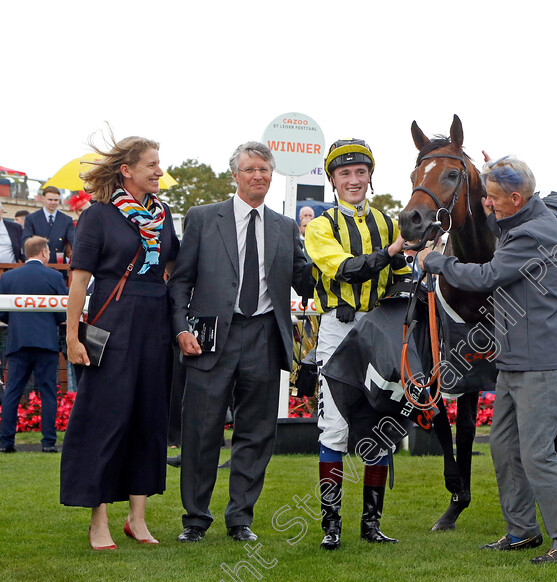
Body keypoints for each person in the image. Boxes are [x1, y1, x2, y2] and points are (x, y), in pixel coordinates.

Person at [414, 156, 557, 565]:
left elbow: (486, 277)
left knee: (537, 453)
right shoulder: (525, 220)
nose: (487, 204)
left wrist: (435, 261)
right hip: (514, 360)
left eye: (492, 198)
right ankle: (523, 530)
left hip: (539, 365)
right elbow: (492, 228)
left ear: (515, 197)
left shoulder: (533, 233)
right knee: (505, 448)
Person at [169, 141, 312, 544]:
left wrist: (333, 257)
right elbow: (180, 283)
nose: (258, 176)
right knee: (201, 430)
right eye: (250, 169)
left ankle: (240, 519)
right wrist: (181, 329)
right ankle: (195, 519)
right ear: (235, 175)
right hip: (209, 341)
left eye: (265, 169)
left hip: (264, 337)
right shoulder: (201, 218)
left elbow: (305, 278)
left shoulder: (286, 227)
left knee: (256, 432)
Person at [60, 135, 180, 550]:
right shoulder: (98, 216)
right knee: (105, 420)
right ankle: (99, 520)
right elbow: (79, 282)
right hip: (111, 324)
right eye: (151, 164)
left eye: (159, 164)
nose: (159, 171)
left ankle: (138, 518)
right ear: (127, 170)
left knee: (148, 421)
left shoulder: (164, 216)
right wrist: (73, 335)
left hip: (155, 325)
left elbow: (173, 269)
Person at [304, 138, 407, 550]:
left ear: (370, 176)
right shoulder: (320, 225)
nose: (353, 180)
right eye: (344, 173)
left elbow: (400, 275)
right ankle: (331, 526)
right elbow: (346, 270)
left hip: (377, 331)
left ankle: (371, 524)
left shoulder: (387, 222)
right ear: (332, 180)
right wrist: (395, 250)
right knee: (335, 427)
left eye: (360, 172)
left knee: (379, 423)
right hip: (337, 330)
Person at [0, 236, 66, 453]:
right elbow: (61, 311)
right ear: (44, 253)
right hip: (46, 342)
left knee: (12, 392)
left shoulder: (9, 278)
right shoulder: (54, 276)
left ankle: (6, 442)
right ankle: (48, 442)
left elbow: (3, 311)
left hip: (18, 342)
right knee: (48, 392)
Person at [23, 185, 75, 264]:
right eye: (50, 199)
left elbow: (73, 241)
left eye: (56, 200)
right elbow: (26, 241)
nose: (53, 203)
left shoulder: (67, 220)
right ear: (42, 198)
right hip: (38, 263)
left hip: (58, 265)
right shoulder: (31, 218)